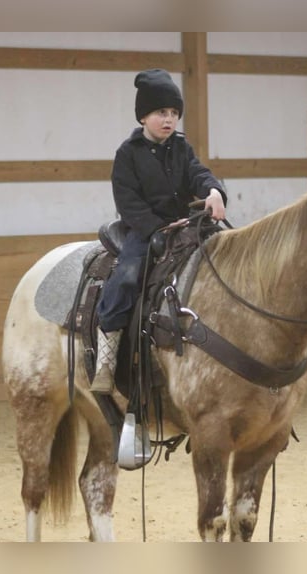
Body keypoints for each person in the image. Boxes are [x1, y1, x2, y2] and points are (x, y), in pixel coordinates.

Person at [91, 68, 227, 394]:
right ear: (143, 117)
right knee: (125, 278)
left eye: (173, 113)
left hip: (186, 227)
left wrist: (213, 191)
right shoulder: (127, 154)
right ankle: (106, 362)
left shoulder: (181, 147)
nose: (168, 120)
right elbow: (128, 202)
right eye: (160, 113)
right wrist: (156, 229)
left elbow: (199, 174)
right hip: (144, 229)